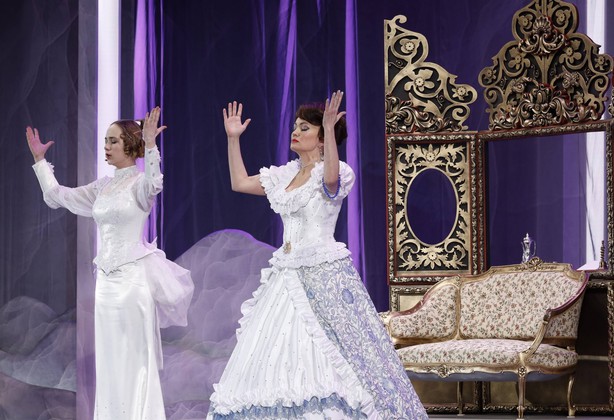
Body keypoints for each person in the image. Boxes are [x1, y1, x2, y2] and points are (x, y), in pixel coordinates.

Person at [207, 91, 428, 419]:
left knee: (334, 354)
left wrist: (328, 129)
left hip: (323, 274)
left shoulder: (339, 171)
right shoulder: (284, 175)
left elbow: (330, 182)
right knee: (276, 350)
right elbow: (239, 182)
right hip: (286, 274)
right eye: (295, 126)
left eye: (305, 128)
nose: (295, 132)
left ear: (323, 138)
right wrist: (233, 139)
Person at [26, 107, 194, 420]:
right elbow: (57, 196)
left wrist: (152, 146)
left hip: (132, 282)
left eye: (113, 141)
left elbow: (155, 183)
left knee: (134, 359)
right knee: (109, 361)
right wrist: (40, 162)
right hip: (105, 285)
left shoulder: (140, 184)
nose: (106, 146)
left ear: (130, 145)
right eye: (106, 140)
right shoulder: (102, 187)